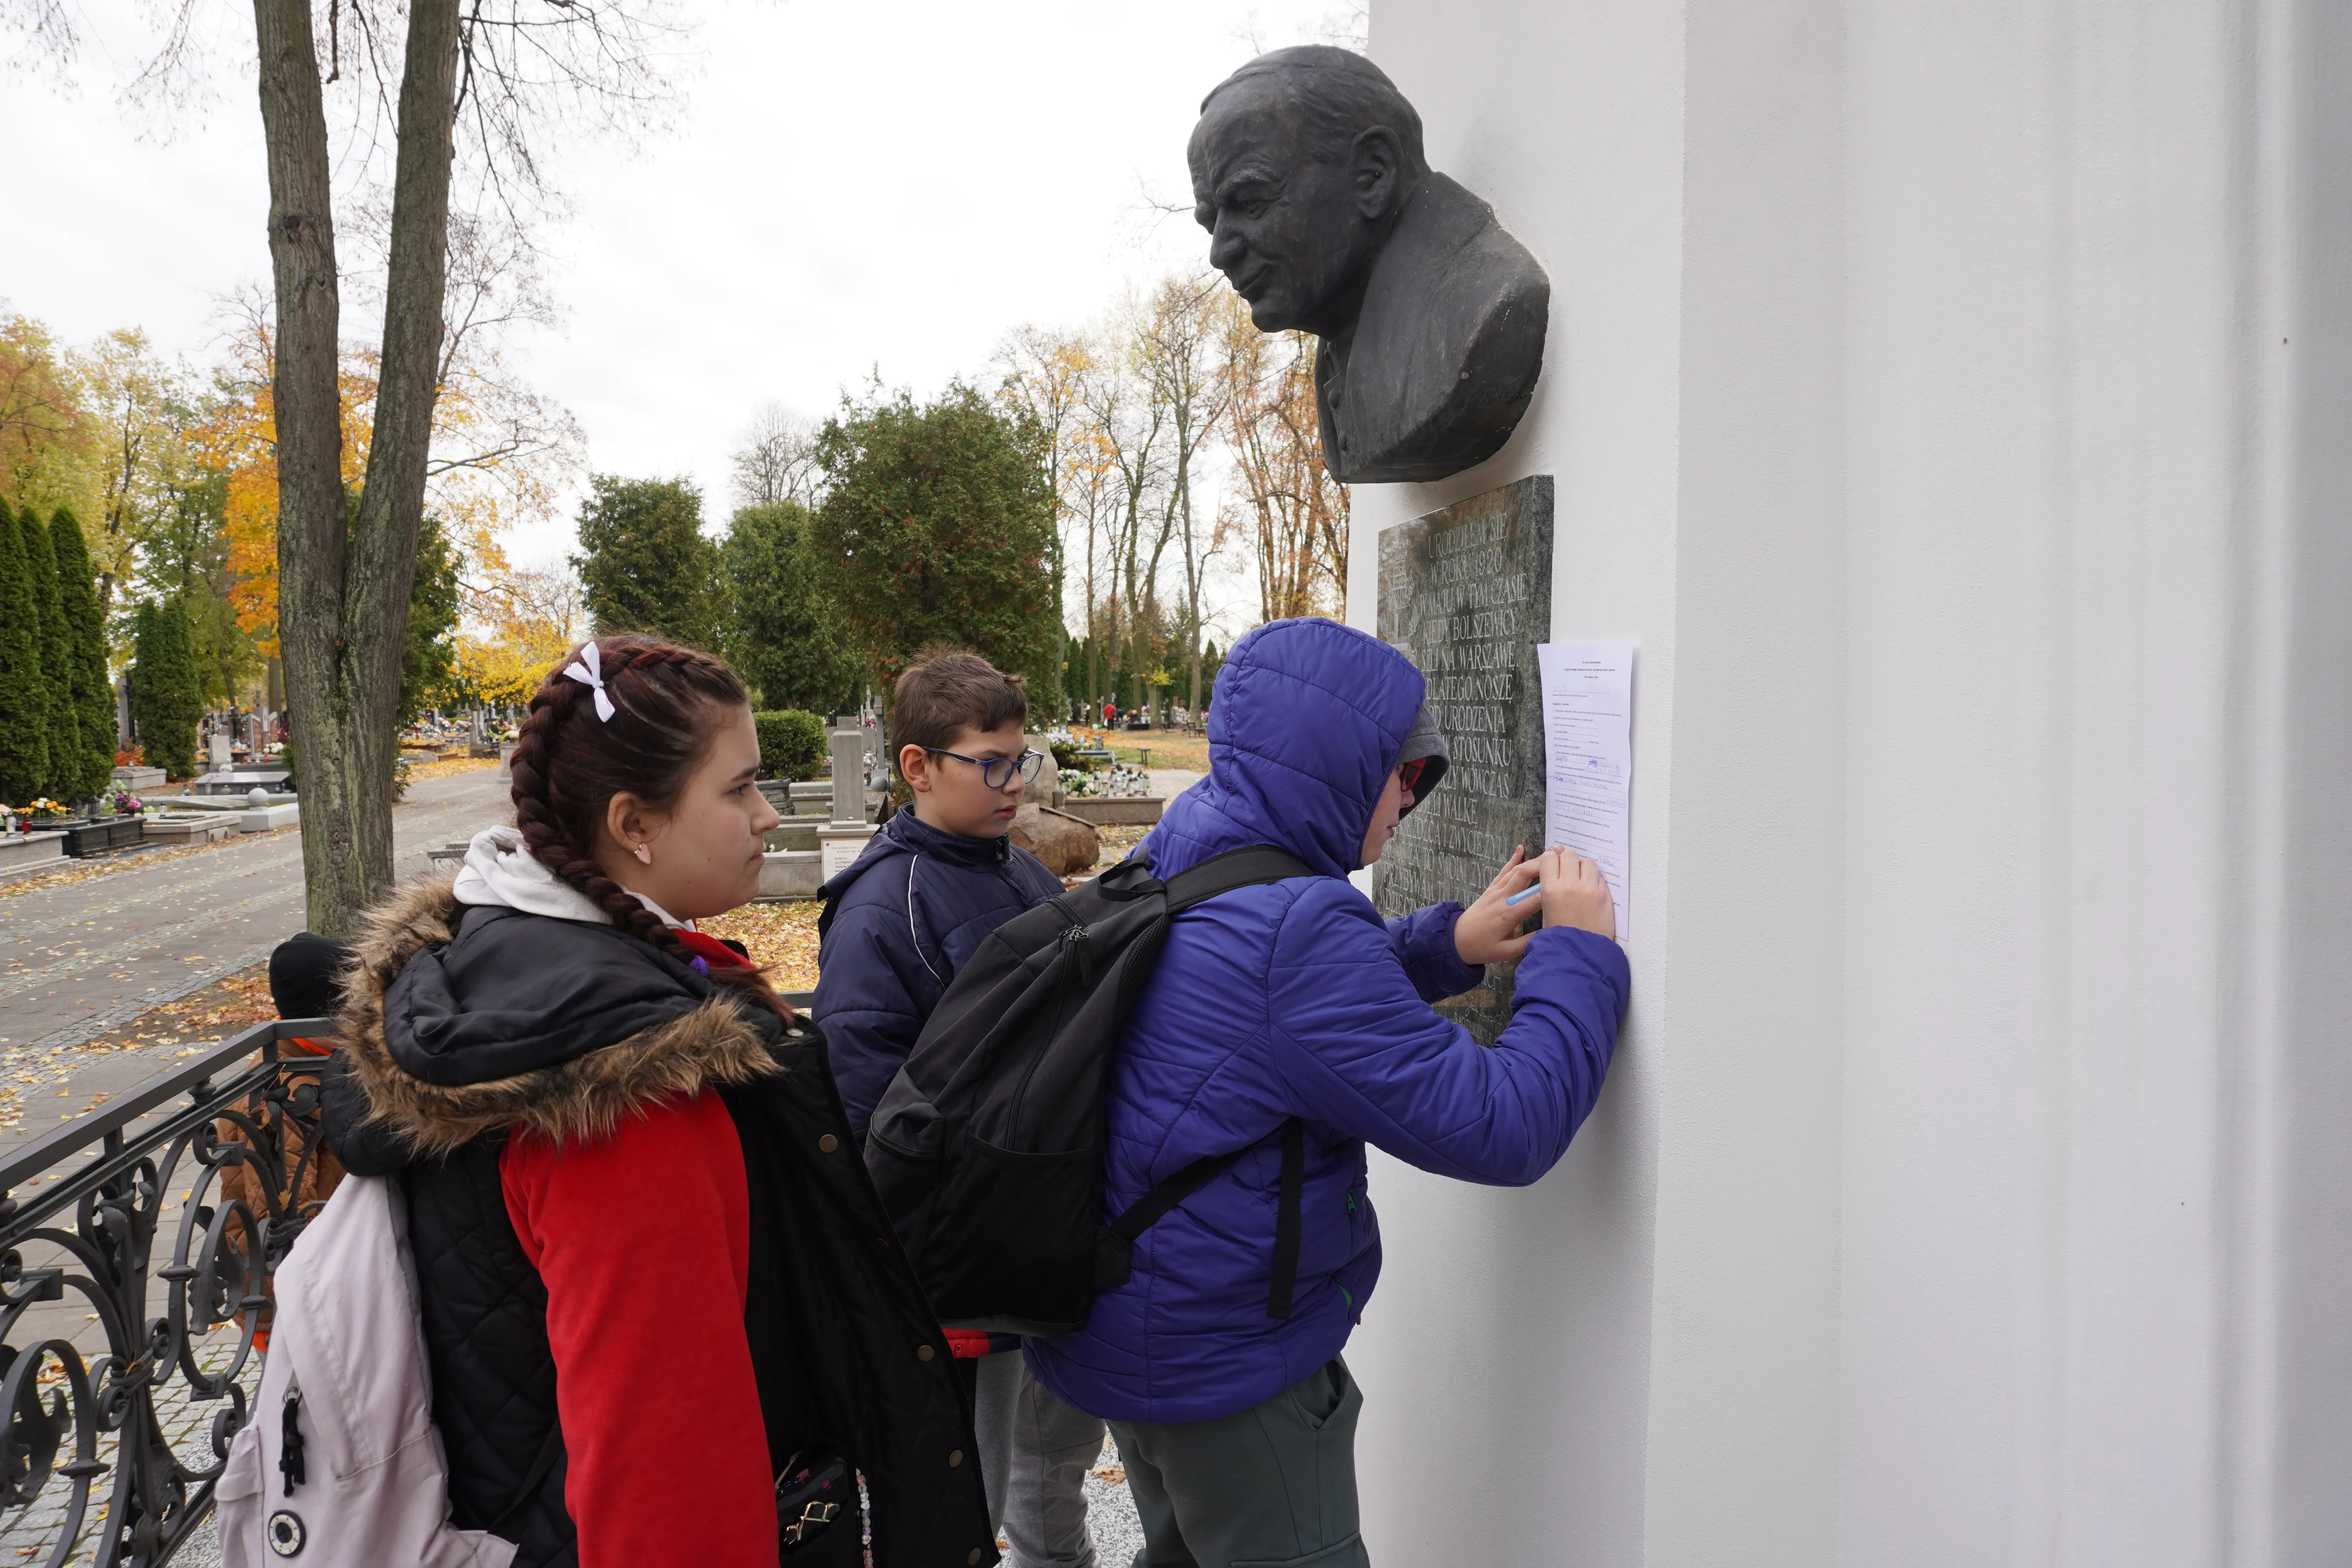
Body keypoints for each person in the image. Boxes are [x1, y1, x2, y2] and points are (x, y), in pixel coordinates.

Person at [320, 635, 993, 1568]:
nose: (765, 816)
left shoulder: (505, 969)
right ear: (635, 823)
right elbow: (667, 1486)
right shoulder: (630, 1091)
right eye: (739, 788)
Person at [1025, 616, 1629, 1568]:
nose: (1411, 795)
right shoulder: (1298, 926)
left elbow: (1259, 1016)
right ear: (1336, 766)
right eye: (1400, 770)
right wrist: (1582, 954)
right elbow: (1504, 1125)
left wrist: (1442, 945)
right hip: (1228, 1377)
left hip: (1135, 1334)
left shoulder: (1195, 840)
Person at [815, 648, 1109, 1568]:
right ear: (917, 766)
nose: (1013, 781)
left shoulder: (1018, 873)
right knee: (963, 1498)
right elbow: (868, 1113)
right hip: (961, 1273)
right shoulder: (879, 911)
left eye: (1019, 758)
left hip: (1051, 1239)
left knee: (1053, 1474)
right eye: (990, 762)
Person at [1189, 47, 1548, 484]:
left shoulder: (1487, 305)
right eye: (1212, 223)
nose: (1220, 252)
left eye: (1249, 202)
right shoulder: (1342, 336)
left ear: (1373, 174)